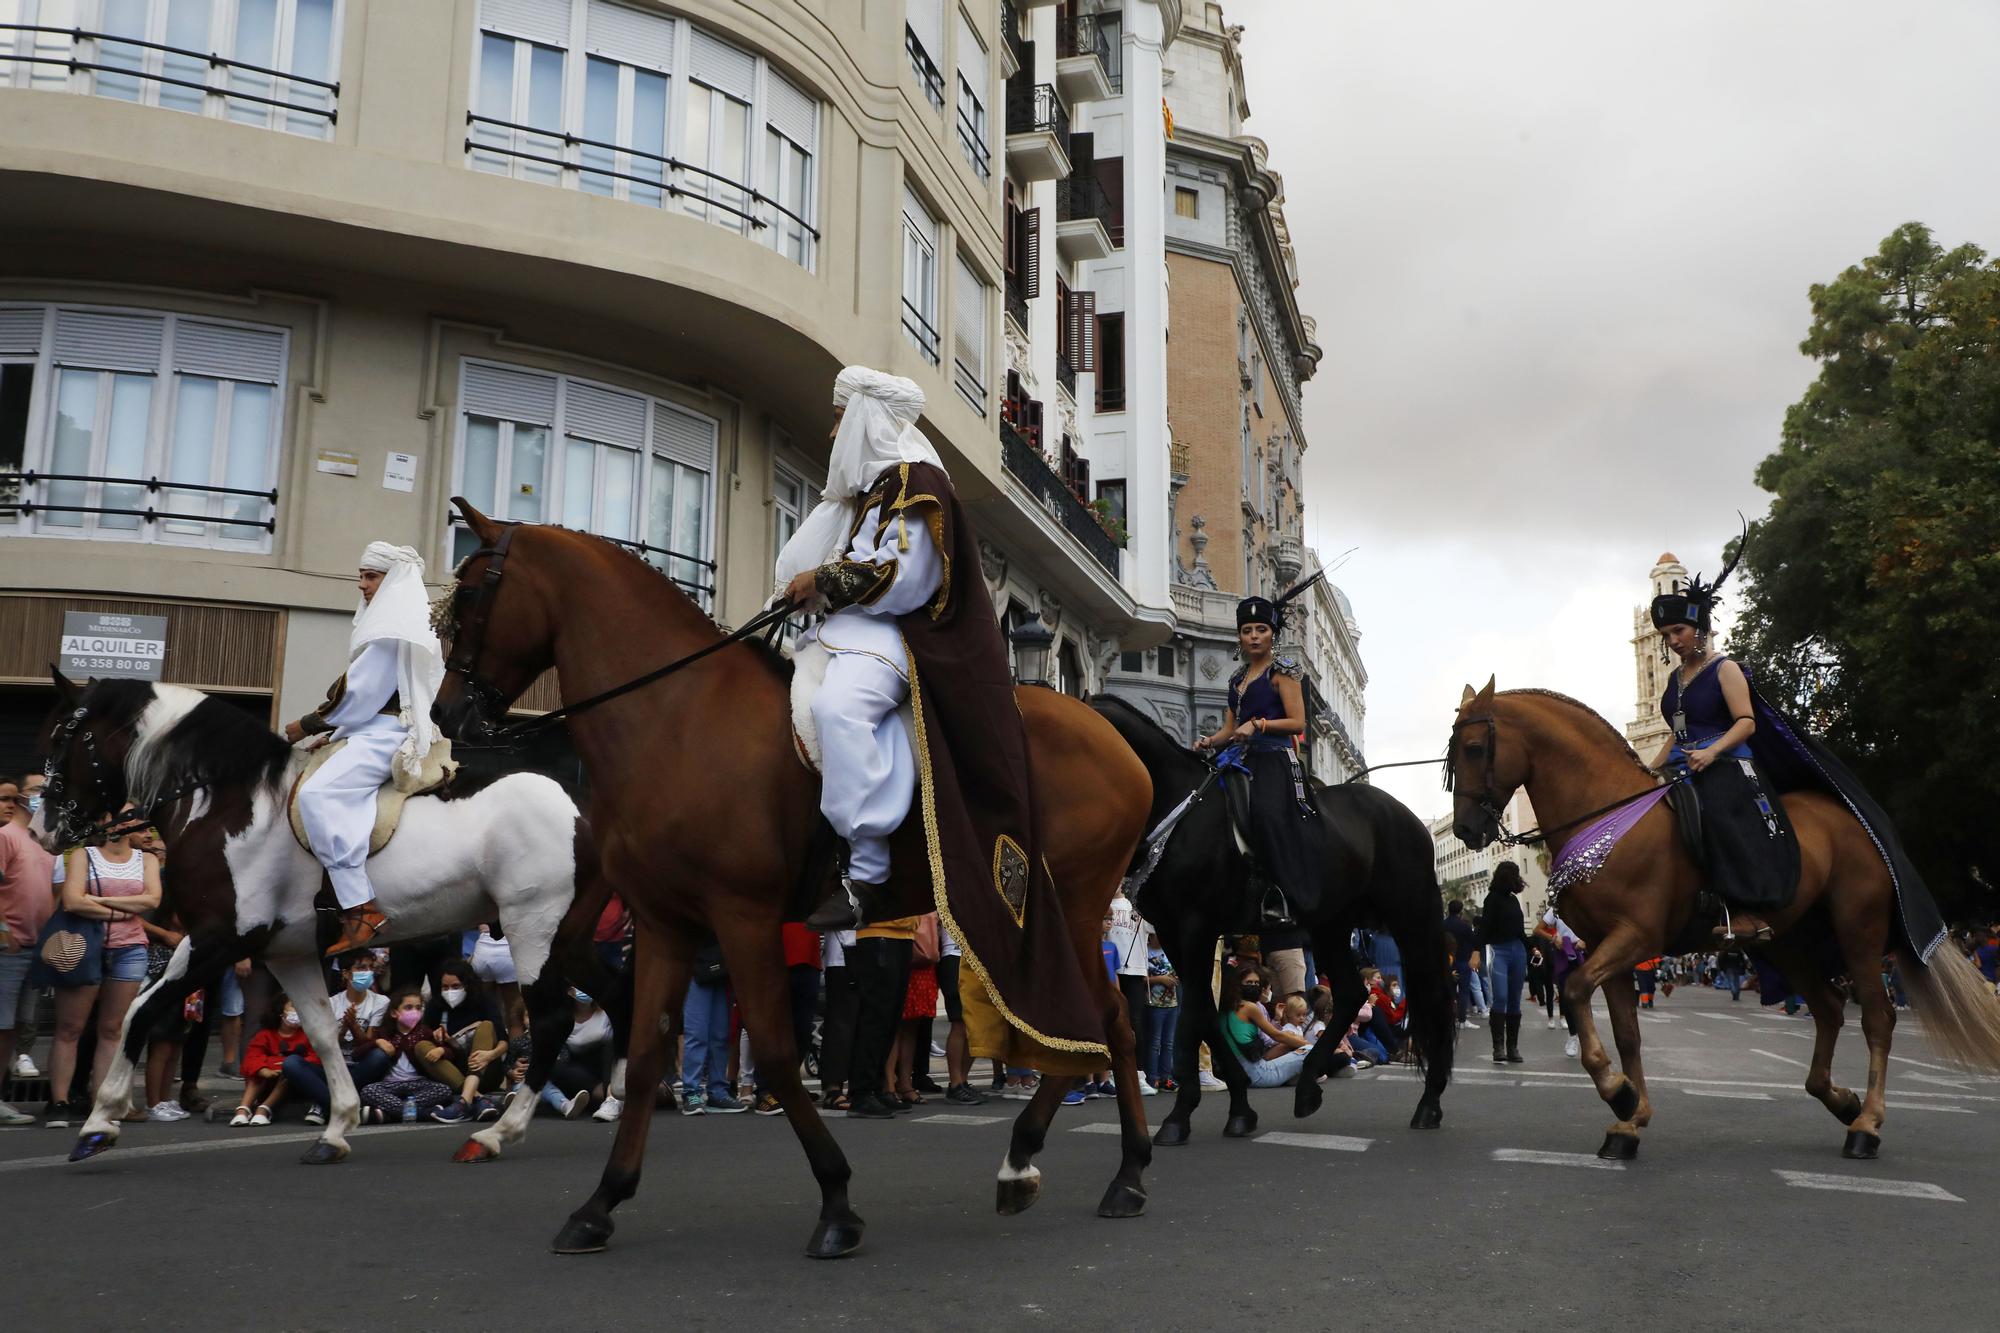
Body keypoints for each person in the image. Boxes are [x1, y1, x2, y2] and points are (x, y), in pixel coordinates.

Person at [286, 542, 445, 955]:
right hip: (373, 729)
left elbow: (359, 696)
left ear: (391, 579)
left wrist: (302, 726)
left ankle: (360, 907)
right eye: (361, 576)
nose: (362, 585)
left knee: (318, 795)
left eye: (370, 576)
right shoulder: (405, 622)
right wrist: (334, 735)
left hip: (386, 732)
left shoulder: (391, 629)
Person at [1192, 590, 1324, 926]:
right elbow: (1229, 729)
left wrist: (1259, 724)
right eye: (1247, 630)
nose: (1254, 636)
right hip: (1237, 758)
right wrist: (1208, 741)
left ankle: (1278, 893)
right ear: (1239, 635)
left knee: (1265, 815)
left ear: (1272, 634)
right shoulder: (1236, 679)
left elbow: (1297, 722)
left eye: (1261, 630)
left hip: (1274, 758)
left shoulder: (1283, 673)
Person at [46, 809, 162, 1117]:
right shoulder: (86, 855)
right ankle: (60, 1101)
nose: (127, 822)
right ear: (101, 821)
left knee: (113, 1029)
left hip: (130, 948)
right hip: (86, 947)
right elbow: (71, 900)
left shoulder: (146, 859)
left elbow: (152, 900)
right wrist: (121, 911)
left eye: (131, 816)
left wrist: (96, 901)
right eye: (119, 816)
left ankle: (104, 1101)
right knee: (70, 1028)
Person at [0, 776, 58, 1126]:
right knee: (2, 1026)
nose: (44, 796)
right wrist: (4, 931)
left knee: (16, 1028)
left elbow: (51, 892)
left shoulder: (44, 842)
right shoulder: (6, 836)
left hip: (34, 949)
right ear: (22, 796)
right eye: (37, 790)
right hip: (9, 949)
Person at [416, 959, 507, 1124]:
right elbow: (424, 1035)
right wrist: (436, 1039)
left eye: (456, 986)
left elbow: (504, 1041)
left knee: (486, 1026)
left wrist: (490, 1055)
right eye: (445, 987)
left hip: (484, 1068)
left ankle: (463, 1102)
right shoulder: (436, 1005)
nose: (450, 991)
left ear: (467, 984)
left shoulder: (484, 1000)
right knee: (422, 1046)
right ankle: (477, 1099)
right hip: (453, 1070)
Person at [357, 986, 458, 1122]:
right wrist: (377, 1042)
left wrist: (441, 1050)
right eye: (408, 1007)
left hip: (418, 1083)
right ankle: (425, 1114)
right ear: (394, 1013)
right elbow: (357, 1053)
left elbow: (451, 1053)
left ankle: (389, 1115)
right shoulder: (384, 1032)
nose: (414, 1012)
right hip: (390, 1084)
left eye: (418, 1007)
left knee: (443, 1090)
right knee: (368, 1091)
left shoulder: (425, 1032)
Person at [681, 937, 746, 1116]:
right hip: (697, 964)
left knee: (721, 1034)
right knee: (697, 1033)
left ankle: (717, 1091)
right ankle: (691, 1092)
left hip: (721, 965)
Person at [235, 994, 314, 1126]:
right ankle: (243, 1109)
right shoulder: (265, 1035)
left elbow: (315, 1058)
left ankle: (264, 1109)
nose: (299, 1011)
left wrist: (282, 1065)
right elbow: (251, 1057)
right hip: (266, 1082)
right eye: (294, 1006)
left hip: (293, 1084)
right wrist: (263, 1069)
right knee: (257, 1071)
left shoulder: (308, 1035)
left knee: (290, 1071)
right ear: (280, 1011)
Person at [1481, 862, 1529, 1064]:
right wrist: (1477, 951)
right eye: (1516, 874)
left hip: (1517, 949)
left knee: (1515, 999)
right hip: (1498, 950)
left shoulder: (1514, 900)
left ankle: (1512, 1047)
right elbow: (1484, 928)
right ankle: (1498, 1046)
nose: (1519, 879)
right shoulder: (1491, 900)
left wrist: (1532, 946)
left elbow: (1520, 930)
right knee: (1500, 996)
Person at [327, 951, 392, 1093]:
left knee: (379, 1057)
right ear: (346, 974)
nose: (367, 972)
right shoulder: (332, 1003)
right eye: (361, 968)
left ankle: (330, 1098)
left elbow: (369, 1042)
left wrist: (354, 1025)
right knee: (293, 1064)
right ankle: (347, 1097)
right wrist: (344, 1029)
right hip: (336, 1066)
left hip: (363, 1064)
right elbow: (329, 1045)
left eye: (370, 968)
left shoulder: (380, 1002)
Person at [544, 985, 611, 1120]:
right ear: (569, 991)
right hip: (579, 1070)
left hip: (607, 1066)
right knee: (553, 1065)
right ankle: (599, 1094)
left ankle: (609, 1097)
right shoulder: (562, 1018)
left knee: (610, 1048)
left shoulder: (607, 1012)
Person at [1143, 932, 1180, 1092]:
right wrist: (1160, 979)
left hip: (1172, 1002)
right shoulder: (1144, 952)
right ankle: (1152, 1077)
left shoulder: (1171, 951)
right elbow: (1141, 978)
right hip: (1154, 1003)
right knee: (1154, 1043)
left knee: (1169, 1043)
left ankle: (1167, 1077)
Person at [1441, 900, 1477, 1030]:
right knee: (1463, 991)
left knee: (1448, 991)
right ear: (1460, 911)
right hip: (1462, 960)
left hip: (1447, 961)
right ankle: (1462, 1019)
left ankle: (1449, 1018)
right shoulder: (1464, 926)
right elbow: (1473, 941)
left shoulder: (1443, 925)